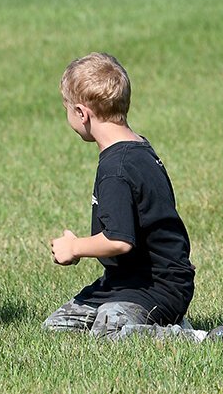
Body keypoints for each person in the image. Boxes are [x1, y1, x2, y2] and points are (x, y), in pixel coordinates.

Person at [43, 52, 206, 340]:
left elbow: (119, 241)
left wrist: (75, 246)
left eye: (67, 109)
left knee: (109, 334)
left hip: (159, 285)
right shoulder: (137, 146)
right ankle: (152, 324)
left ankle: (193, 337)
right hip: (123, 282)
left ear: (82, 113)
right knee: (57, 328)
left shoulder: (115, 170)